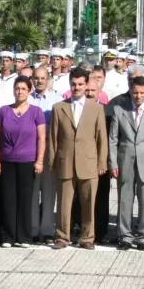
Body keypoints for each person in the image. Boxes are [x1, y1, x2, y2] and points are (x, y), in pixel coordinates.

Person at [49, 68, 108, 249]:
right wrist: (52, 163)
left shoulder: (97, 108)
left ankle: (87, 238)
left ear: (86, 84)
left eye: (81, 84)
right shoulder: (59, 108)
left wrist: (101, 162)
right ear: (69, 84)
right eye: (74, 84)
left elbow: (101, 138)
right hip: (65, 161)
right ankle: (62, 236)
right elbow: (53, 137)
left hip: (88, 162)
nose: (77, 88)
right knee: (64, 204)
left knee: (88, 203)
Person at [109, 76, 144, 251]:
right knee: (125, 200)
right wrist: (113, 163)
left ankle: (143, 237)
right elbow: (113, 139)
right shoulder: (120, 110)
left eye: (142, 93)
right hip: (125, 159)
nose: (138, 96)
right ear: (130, 91)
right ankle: (124, 236)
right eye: (135, 93)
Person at [0, 75, 46, 248]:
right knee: (8, 199)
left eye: (23, 88)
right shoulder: (4, 111)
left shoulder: (36, 112)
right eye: (17, 88)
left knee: (25, 199)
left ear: (29, 91)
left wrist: (39, 161)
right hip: (7, 160)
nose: (20, 91)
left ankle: (23, 236)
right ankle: (8, 236)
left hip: (27, 161)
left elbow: (42, 138)